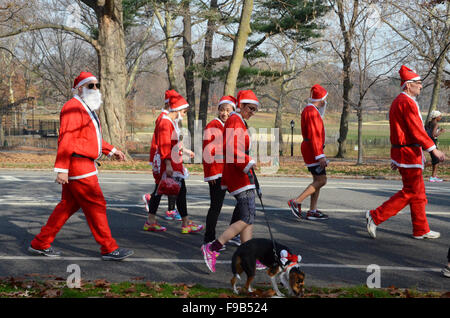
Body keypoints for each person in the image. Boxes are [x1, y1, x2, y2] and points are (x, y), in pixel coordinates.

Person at [28, 71, 133, 261]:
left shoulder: (85, 107)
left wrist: (112, 150)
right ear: (79, 88)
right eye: (90, 85)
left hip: (81, 164)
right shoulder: (73, 107)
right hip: (78, 165)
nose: (95, 89)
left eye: (96, 85)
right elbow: (66, 139)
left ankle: (40, 243)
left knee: (67, 206)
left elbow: (92, 138)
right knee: (97, 204)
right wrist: (61, 169)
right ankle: (109, 248)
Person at [366, 65, 445, 240]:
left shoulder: (401, 101)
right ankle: (375, 216)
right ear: (408, 85)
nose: (421, 86)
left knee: (418, 193)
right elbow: (416, 131)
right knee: (411, 191)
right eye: (418, 82)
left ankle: (420, 229)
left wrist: (396, 156)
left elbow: (399, 132)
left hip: (406, 153)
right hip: (408, 153)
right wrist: (434, 150)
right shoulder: (406, 102)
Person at [201, 90, 261, 273]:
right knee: (247, 216)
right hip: (238, 175)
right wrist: (249, 162)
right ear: (241, 105)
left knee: (248, 218)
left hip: (239, 174)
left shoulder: (237, 121)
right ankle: (213, 247)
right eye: (250, 108)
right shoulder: (235, 121)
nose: (252, 112)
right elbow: (231, 149)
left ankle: (248, 257)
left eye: (255, 110)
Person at [142, 90, 203, 234]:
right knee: (180, 191)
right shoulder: (165, 122)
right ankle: (185, 223)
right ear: (177, 109)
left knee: (159, 191)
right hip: (169, 163)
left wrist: (185, 151)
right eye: (184, 111)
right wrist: (168, 163)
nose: (184, 114)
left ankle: (151, 220)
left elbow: (172, 143)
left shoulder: (168, 121)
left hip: (169, 161)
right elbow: (164, 145)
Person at [287, 84, 329, 220]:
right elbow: (315, 135)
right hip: (312, 150)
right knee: (322, 180)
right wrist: (320, 156)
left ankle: (312, 210)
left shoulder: (310, 110)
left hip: (311, 148)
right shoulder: (312, 112)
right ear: (321, 99)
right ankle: (297, 201)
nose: (325, 102)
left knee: (317, 179)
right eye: (325, 99)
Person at [202, 96, 236, 245]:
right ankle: (209, 239)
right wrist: (211, 173)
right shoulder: (213, 125)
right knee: (216, 207)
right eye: (222, 110)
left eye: (228, 110)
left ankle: (234, 232)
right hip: (218, 173)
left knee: (244, 202)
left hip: (230, 173)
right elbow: (207, 151)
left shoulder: (232, 125)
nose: (224, 113)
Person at [142, 90, 180, 221]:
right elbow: (164, 141)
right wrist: (167, 160)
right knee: (169, 183)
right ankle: (170, 210)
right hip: (162, 156)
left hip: (164, 155)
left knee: (166, 184)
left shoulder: (168, 117)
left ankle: (156, 205)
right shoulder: (164, 119)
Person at [425, 110, 446, 182]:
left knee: (435, 159)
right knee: (436, 159)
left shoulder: (428, 123)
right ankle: (433, 176)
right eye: (440, 116)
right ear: (436, 117)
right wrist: (440, 131)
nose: (440, 117)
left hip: (427, 141)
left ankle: (433, 175)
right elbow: (434, 135)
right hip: (432, 142)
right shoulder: (436, 124)